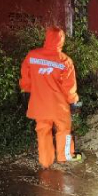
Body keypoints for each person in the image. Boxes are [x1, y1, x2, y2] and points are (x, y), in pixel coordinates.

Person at [19, 27, 82, 168]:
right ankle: (64, 157)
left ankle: (45, 161)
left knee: (42, 131)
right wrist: (73, 102)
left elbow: (26, 79)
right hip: (59, 105)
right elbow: (69, 86)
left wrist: (26, 90)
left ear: (46, 38)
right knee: (64, 130)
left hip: (39, 104)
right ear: (61, 41)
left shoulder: (32, 56)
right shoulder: (65, 61)